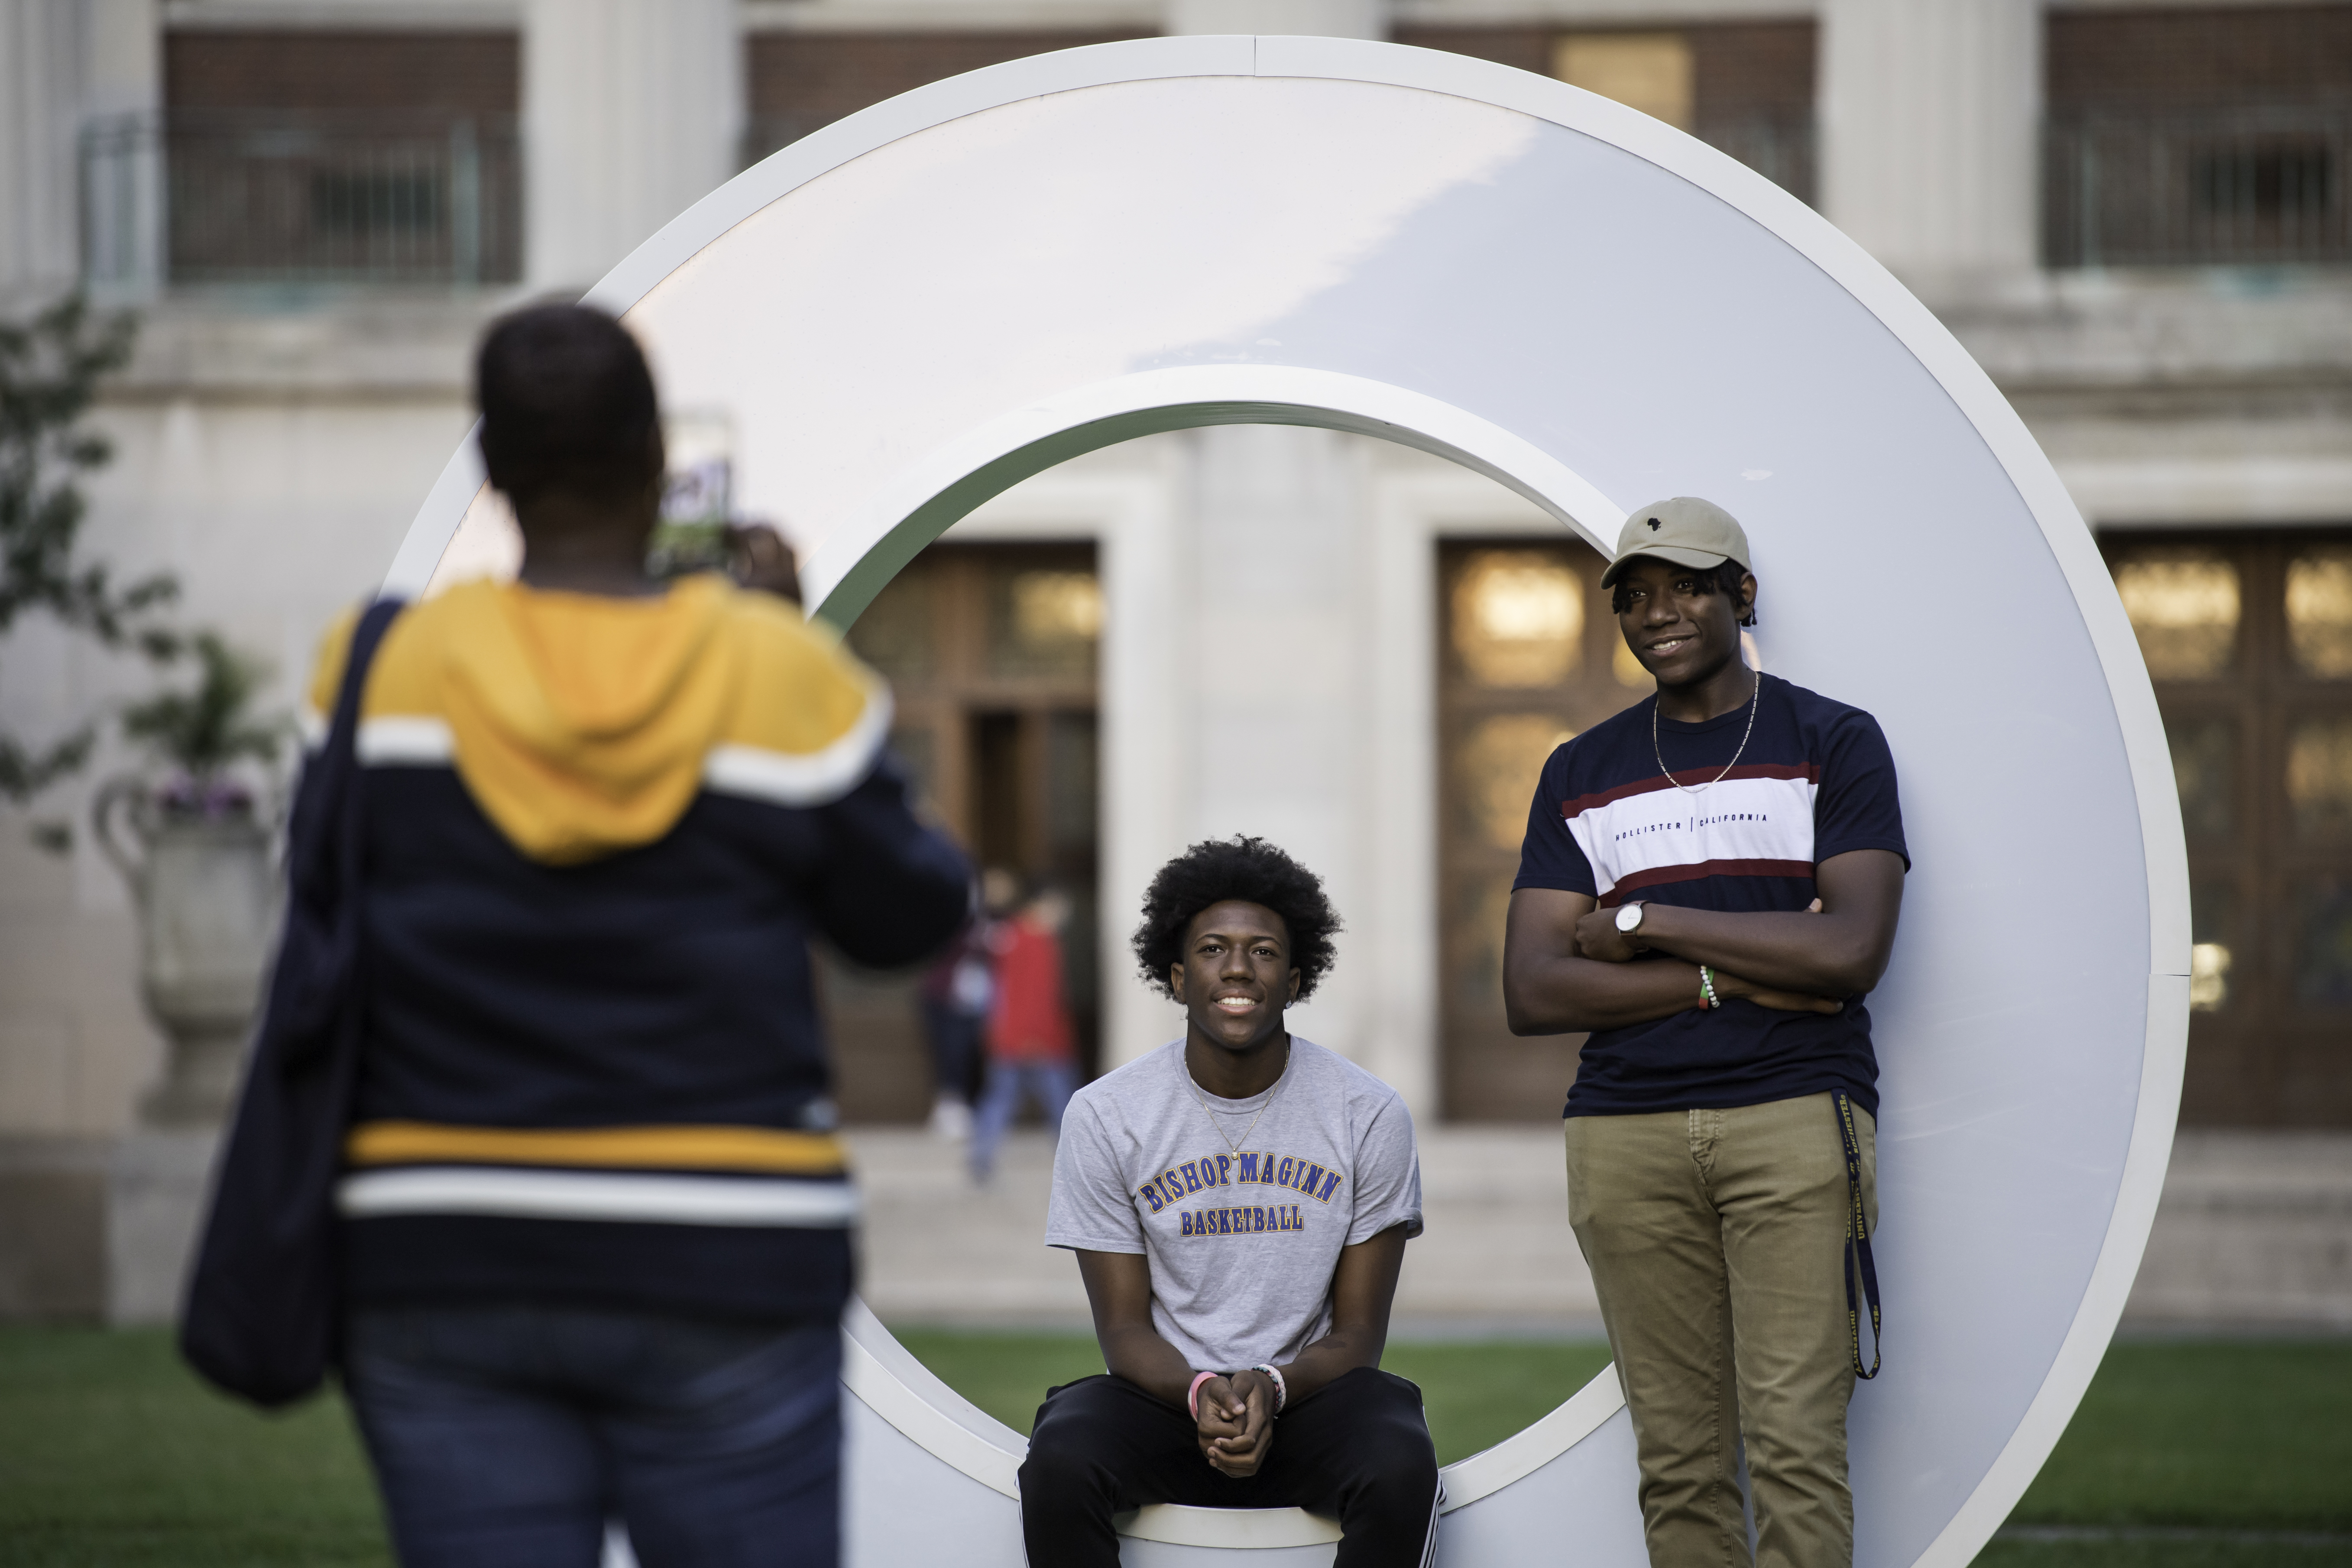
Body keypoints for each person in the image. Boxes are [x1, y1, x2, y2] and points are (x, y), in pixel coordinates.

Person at [307, 303, 970, 1568]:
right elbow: (912, 917)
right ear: (662, 462)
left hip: (439, 1241)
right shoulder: (776, 677)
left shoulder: (373, 668)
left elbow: (323, 902)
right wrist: (781, 634)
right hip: (719, 1245)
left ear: (492, 467)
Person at [1501, 497, 1908, 1568]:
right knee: (1676, 1462)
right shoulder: (1578, 770)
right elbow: (1535, 989)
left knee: (1792, 1444)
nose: (1658, 612)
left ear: (1741, 594)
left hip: (1791, 1117)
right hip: (1621, 1133)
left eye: (1685, 585)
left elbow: (1850, 954)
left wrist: (1641, 923)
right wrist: (1738, 972)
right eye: (1633, 596)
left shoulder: (1831, 739)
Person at [1022, 836, 1439, 1567]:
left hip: (1308, 1400)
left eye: (1265, 952)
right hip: (1168, 1399)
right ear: (1178, 978)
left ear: (1298, 978)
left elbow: (1358, 1335)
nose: (1239, 968)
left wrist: (1272, 1390)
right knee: (1062, 1453)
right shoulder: (1106, 1114)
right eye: (1214, 949)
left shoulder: (1367, 1113)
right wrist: (1201, 1394)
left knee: (1399, 1453)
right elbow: (1123, 1330)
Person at [968, 880, 1080, 1183]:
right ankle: (1078, 1166)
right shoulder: (1039, 940)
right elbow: (1038, 995)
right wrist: (1034, 1035)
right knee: (1065, 1106)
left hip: (1009, 1037)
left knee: (1000, 1099)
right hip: (1042, 1040)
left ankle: (981, 1158)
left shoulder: (1009, 936)